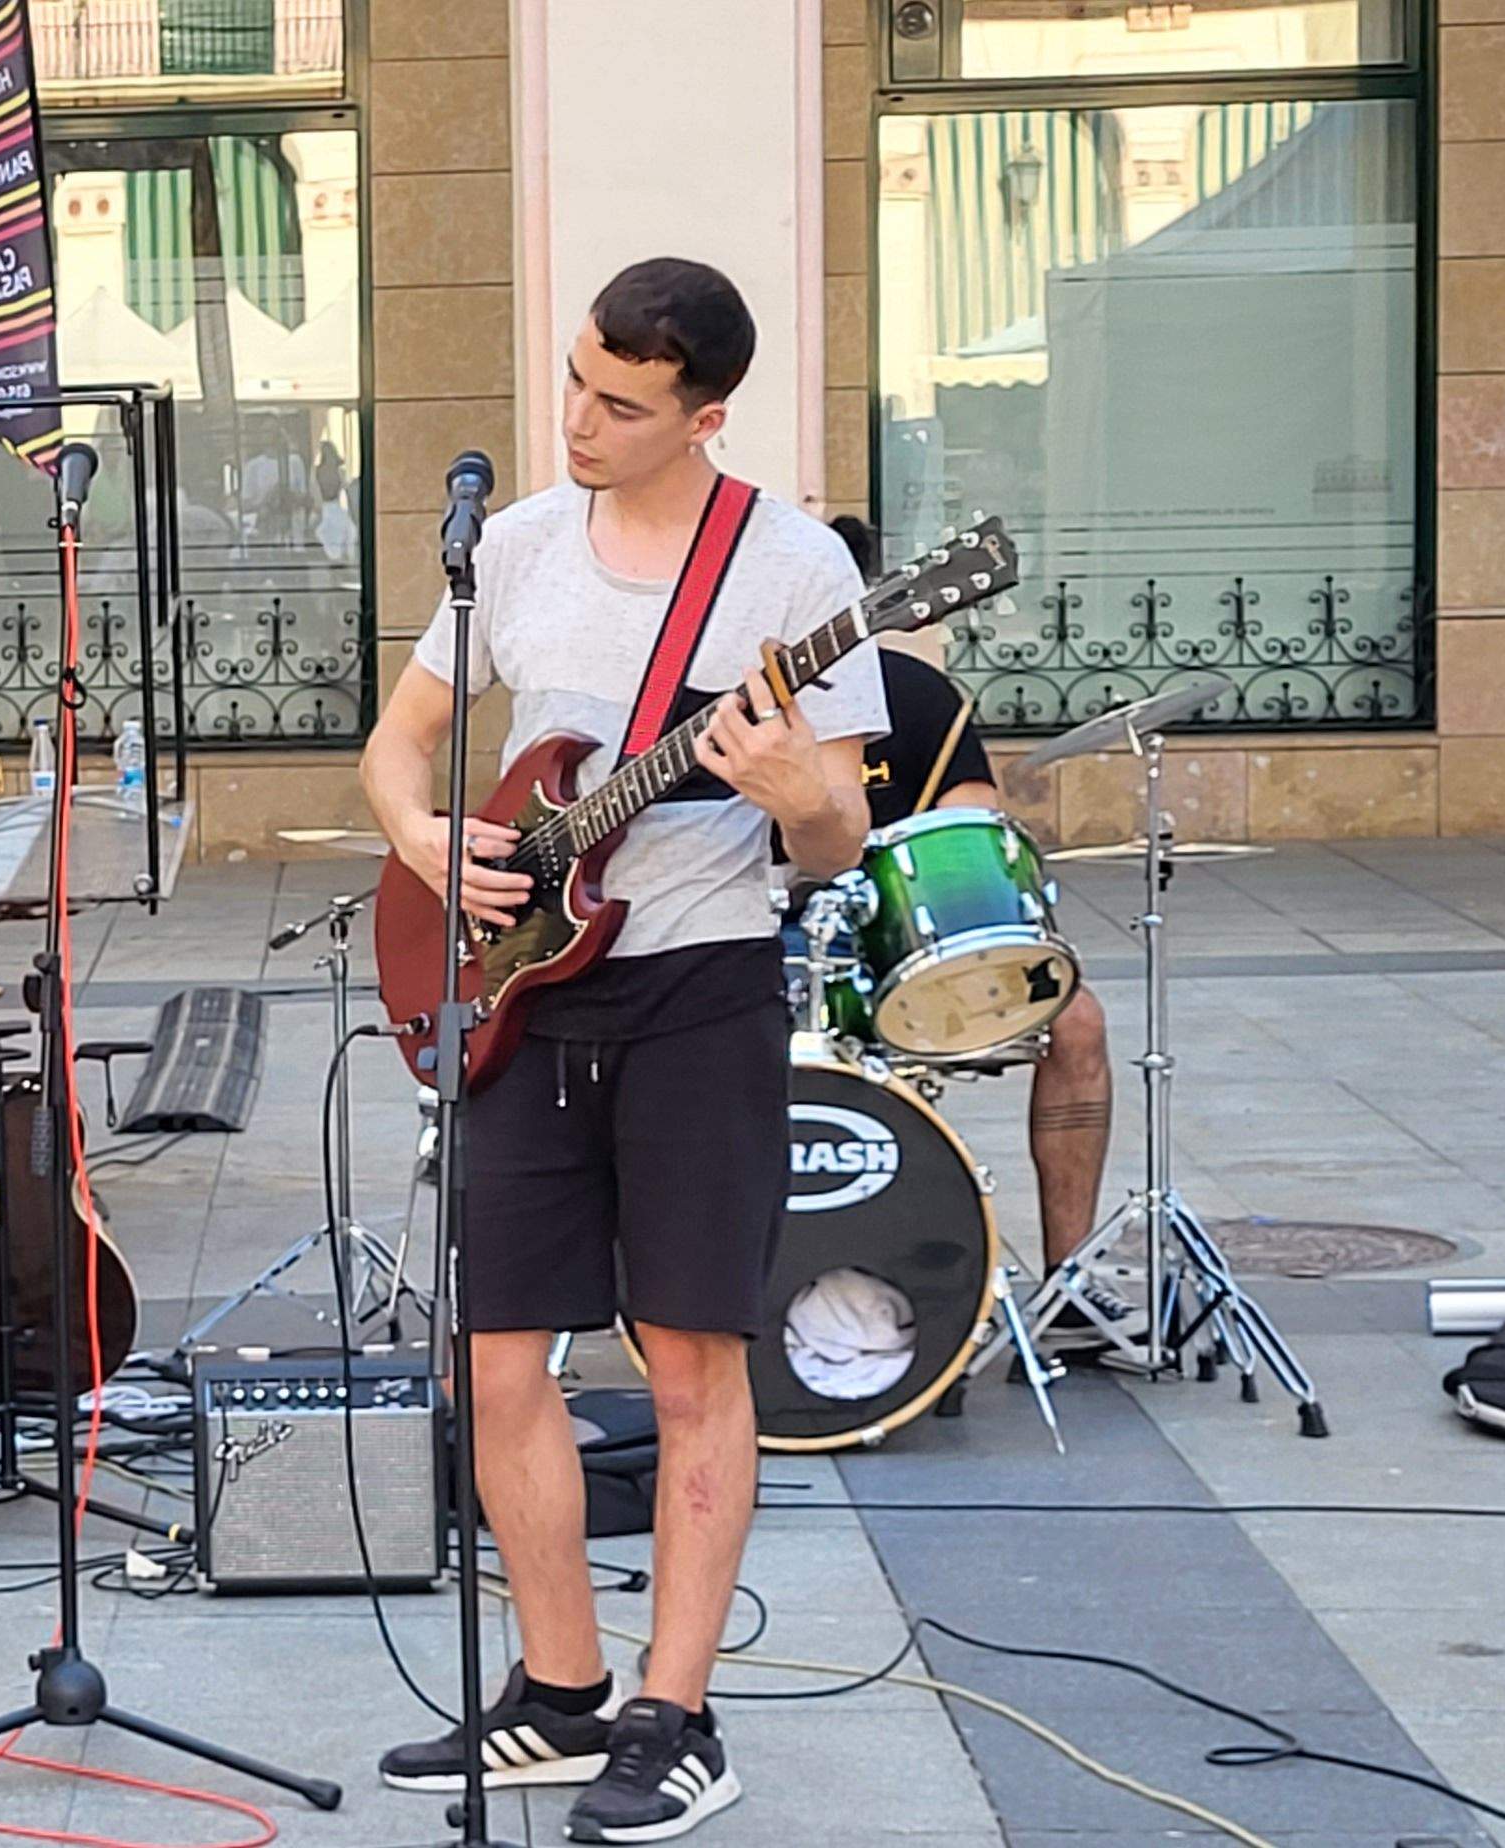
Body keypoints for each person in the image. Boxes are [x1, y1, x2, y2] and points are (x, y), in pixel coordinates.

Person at [355, 258, 887, 1843]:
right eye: (575, 381)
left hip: (697, 996)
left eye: (619, 404)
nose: (578, 419)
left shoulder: (789, 571)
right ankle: (559, 1691)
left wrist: (794, 782)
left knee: (691, 1357)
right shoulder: (511, 547)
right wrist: (434, 843)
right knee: (499, 1357)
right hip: (526, 997)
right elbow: (400, 745)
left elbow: (842, 832)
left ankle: (679, 1712)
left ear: (706, 415)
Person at [819, 518, 1119, 1326]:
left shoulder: (917, 699)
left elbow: (971, 836)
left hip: (888, 944)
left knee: (1078, 1022)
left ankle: (1069, 1283)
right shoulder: (732, 706)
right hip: (752, 942)